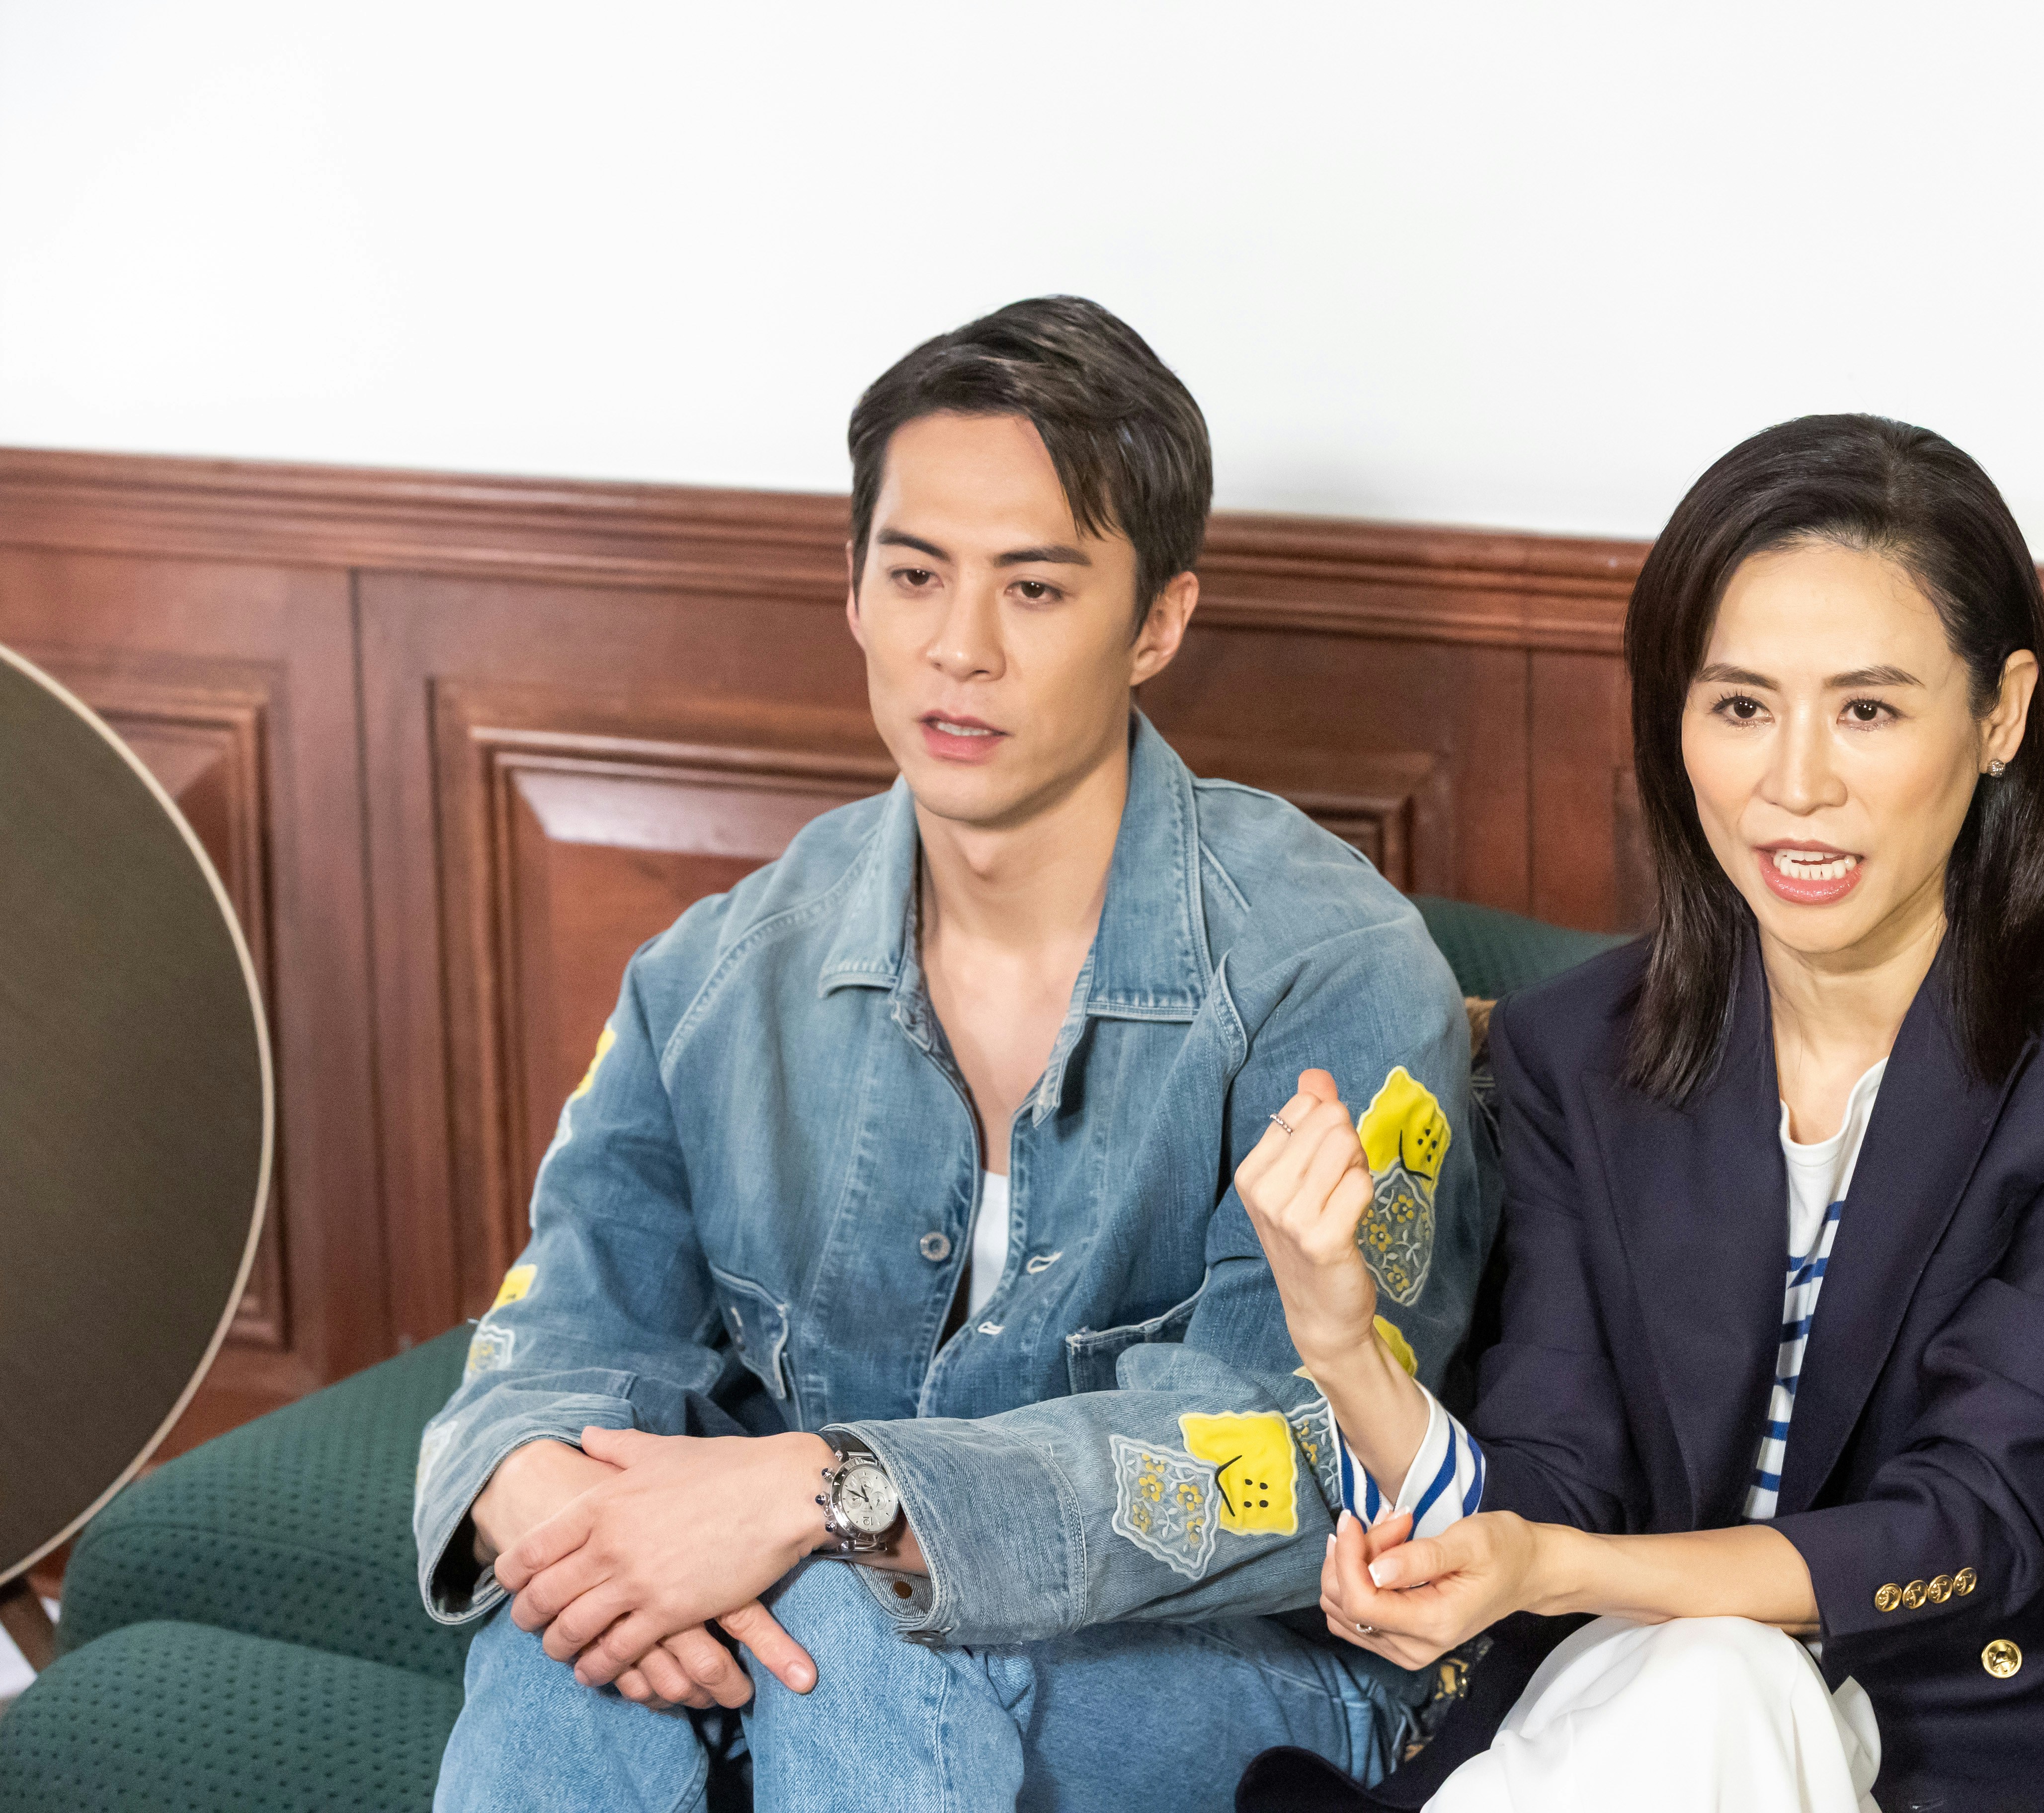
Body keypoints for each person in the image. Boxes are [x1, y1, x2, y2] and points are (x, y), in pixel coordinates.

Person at [1236, 414, 2044, 1812]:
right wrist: (1344, 1348)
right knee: (1707, 1679)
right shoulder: (1580, 1053)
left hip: (2010, 1707)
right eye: (1741, 706)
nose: (1794, 784)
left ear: (2001, 715)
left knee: (1718, 1679)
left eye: (1868, 710)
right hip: (1659, 1686)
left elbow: (1975, 1523)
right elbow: (1553, 1491)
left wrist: (1557, 1570)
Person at [414, 295, 1492, 1812]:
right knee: (566, 1640)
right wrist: (543, 1501)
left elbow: (1306, 1462)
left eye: (1036, 589)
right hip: (831, 1653)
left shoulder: (1334, 972)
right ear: (855, 592)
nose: (960, 648)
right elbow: (561, 1334)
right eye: (915, 574)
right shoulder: (714, 976)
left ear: (1159, 621)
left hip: (1247, 1674)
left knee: (855, 1611)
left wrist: (838, 1496)